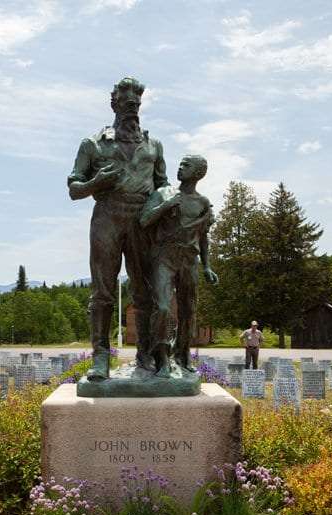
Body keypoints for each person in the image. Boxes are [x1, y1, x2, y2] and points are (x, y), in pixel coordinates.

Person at [67, 76, 169, 380]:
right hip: (107, 217)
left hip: (143, 220)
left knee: (145, 292)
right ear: (114, 105)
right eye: (126, 104)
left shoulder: (154, 145)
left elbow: (163, 184)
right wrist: (96, 183)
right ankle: (100, 357)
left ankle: (145, 357)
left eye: (136, 104)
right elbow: (74, 187)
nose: (131, 109)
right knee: (102, 292)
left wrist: (166, 203)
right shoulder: (92, 143)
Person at [140, 155, 218, 377]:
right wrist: (165, 206)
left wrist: (207, 266)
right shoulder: (164, 193)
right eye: (180, 163)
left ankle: (183, 356)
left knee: (189, 310)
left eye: (186, 165)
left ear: (198, 173)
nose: (181, 168)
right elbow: (144, 220)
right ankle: (161, 357)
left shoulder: (202, 203)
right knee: (163, 307)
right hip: (165, 255)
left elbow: (203, 236)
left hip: (189, 259)